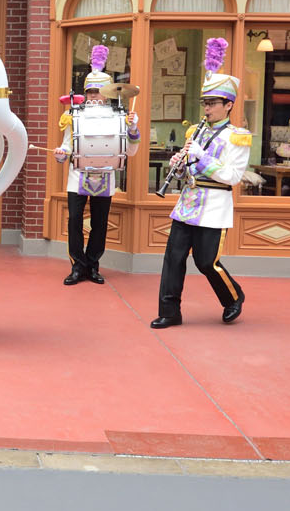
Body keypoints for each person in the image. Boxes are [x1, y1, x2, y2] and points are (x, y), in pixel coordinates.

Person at [152, 37, 249, 329]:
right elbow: (190, 170)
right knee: (173, 258)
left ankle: (234, 297)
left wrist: (202, 157)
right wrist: (179, 167)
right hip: (188, 203)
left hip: (215, 205)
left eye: (212, 104)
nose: (206, 109)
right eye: (204, 103)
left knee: (206, 262)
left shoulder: (238, 136)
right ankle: (170, 312)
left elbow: (232, 176)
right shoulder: (195, 131)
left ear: (228, 104)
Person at [55, 44, 141, 285]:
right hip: (77, 178)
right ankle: (77, 266)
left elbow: (131, 151)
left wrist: (133, 129)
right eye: (90, 92)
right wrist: (62, 154)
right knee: (74, 222)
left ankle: (93, 266)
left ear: (108, 94)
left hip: (105, 177)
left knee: (99, 224)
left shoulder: (121, 117)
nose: (93, 96)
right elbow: (69, 146)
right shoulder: (73, 116)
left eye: (98, 92)